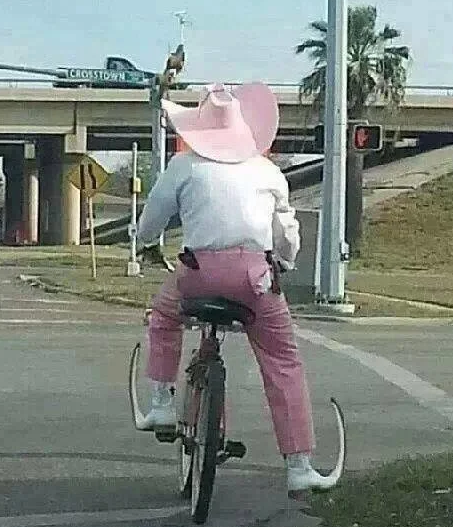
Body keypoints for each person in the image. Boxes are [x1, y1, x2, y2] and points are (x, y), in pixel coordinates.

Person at [137, 82, 338, 494]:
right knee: (283, 359)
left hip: (198, 275)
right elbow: (287, 232)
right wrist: (284, 262)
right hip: (255, 279)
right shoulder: (267, 171)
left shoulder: (184, 166)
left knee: (164, 316)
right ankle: (299, 464)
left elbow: (152, 217)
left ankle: (161, 403)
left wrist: (145, 243)